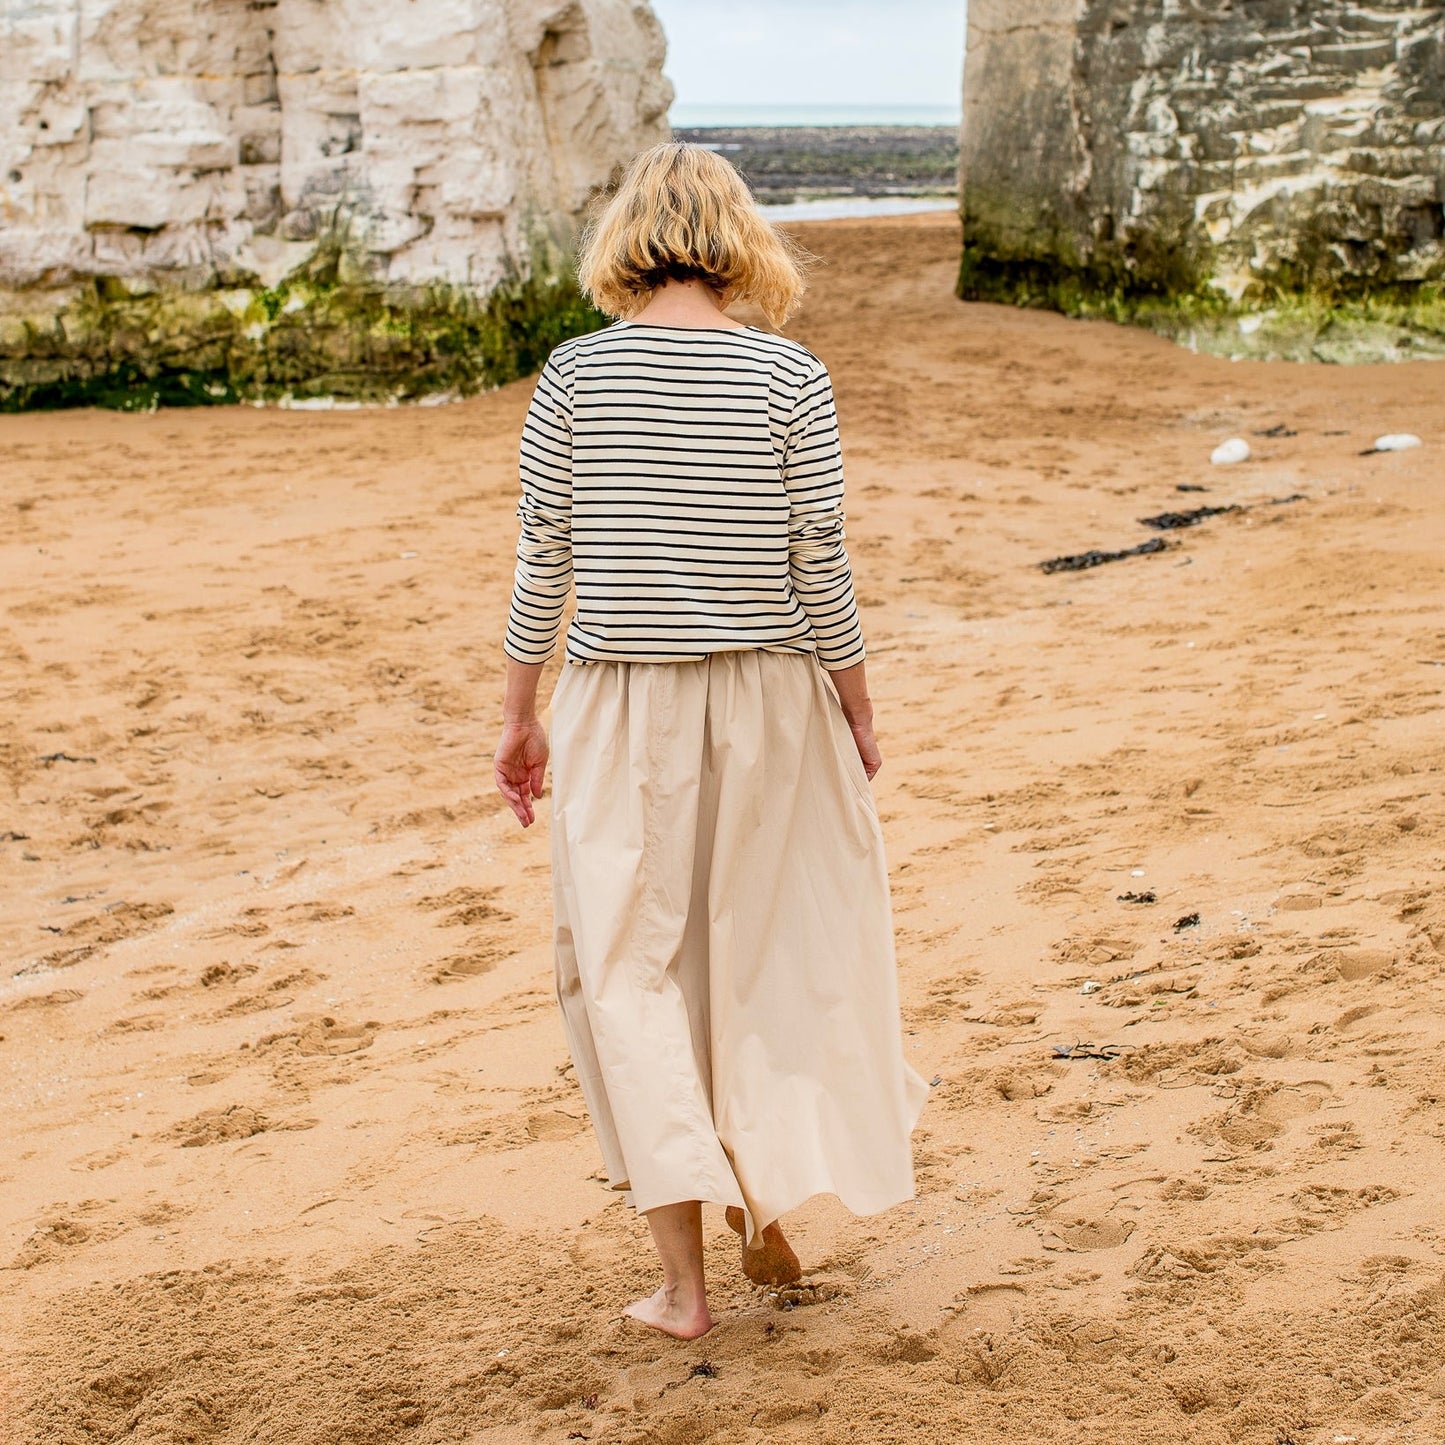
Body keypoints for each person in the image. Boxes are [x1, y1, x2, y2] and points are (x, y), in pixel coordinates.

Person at [492, 141, 927, 1340]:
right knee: (760, 950)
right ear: (739, 239)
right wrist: (856, 699)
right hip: (772, 701)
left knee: (628, 973)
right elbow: (817, 561)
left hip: (620, 700)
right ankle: (762, 1206)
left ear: (627, 238)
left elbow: (545, 560)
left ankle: (682, 1284)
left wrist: (517, 714)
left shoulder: (574, 377)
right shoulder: (788, 377)